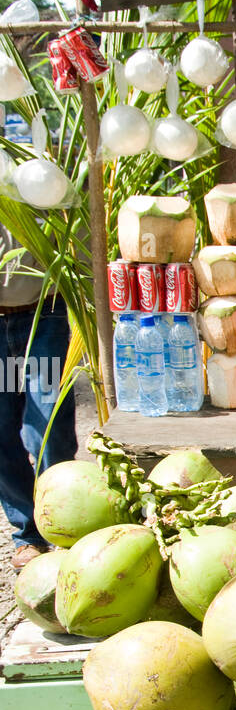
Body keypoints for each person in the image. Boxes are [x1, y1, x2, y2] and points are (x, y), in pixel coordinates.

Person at [0, 221, 77, 569]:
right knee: (2, 432)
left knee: (45, 427)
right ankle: (28, 533)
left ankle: (65, 527)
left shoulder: (28, 167)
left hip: (40, 318)